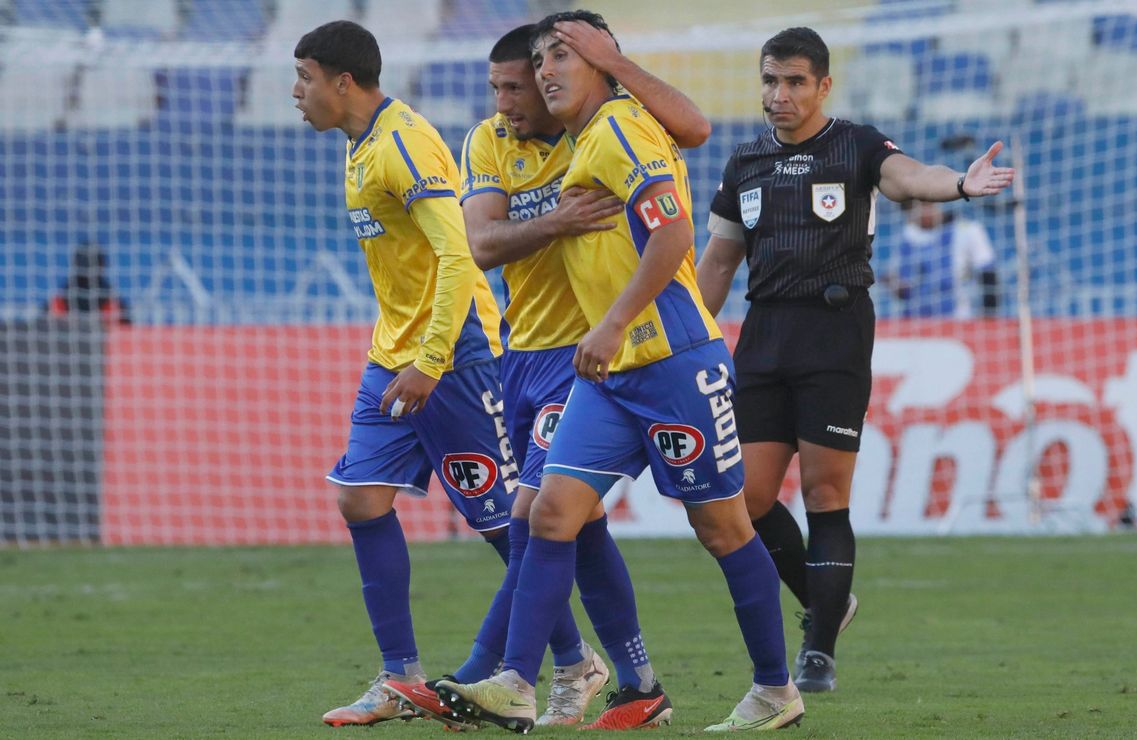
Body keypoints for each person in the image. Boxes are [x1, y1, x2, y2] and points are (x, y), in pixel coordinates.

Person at [435, 11, 805, 733]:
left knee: (724, 528)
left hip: (670, 360)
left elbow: (673, 236)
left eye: (562, 56)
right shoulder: (582, 137)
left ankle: (775, 689)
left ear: (602, 61)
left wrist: (608, 324)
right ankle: (515, 680)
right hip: (608, 375)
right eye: (541, 58)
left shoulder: (621, 128)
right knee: (549, 511)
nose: (546, 71)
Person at [385, 20, 714, 729]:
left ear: (553, 81)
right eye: (497, 86)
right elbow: (482, 243)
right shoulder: (486, 142)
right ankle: (630, 679)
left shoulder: (594, 125)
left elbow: (693, 127)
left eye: (517, 87)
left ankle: (489, 673)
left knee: (539, 514)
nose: (504, 102)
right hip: (520, 355)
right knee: (576, 522)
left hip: (587, 355)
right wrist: (560, 221)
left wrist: (614, 62)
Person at [696, 26, 1015, 693]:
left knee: (823, 493)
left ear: (822, 86)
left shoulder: (856, 143)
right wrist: (684, 333)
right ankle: (831, 603)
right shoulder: (745, 161)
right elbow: (719, 261)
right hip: (763, 337)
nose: (778, 95)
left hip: (835, 333)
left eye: (793, 82)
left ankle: (818, 651)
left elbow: (907, 180)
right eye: (769, 81)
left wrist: (958, 183)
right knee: (746, 499)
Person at [292, 21, 520, 727]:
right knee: (359, 498)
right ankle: (401, 678)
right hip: (393, 355)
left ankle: (578, 664)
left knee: (511, 530)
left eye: (304, 78)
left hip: (455, 357)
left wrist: (429, 361)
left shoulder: (404, 142)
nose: (296, 94)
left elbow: (459, 257)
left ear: (343, 82)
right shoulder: (358, 148)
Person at [891, 199, 999, 318]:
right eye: (909, 210)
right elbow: (903, 289)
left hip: (957, 320)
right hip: (914, 322)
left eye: (920, 206)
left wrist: (989, 316)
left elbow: (988, 274)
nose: (913, 215)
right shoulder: (907, 235)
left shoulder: (968, 230)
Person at [46, 244, 130, 325]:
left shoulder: (110, 298)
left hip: (96, 335)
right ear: (101, 266)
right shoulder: (62, 297)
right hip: (72, 335)